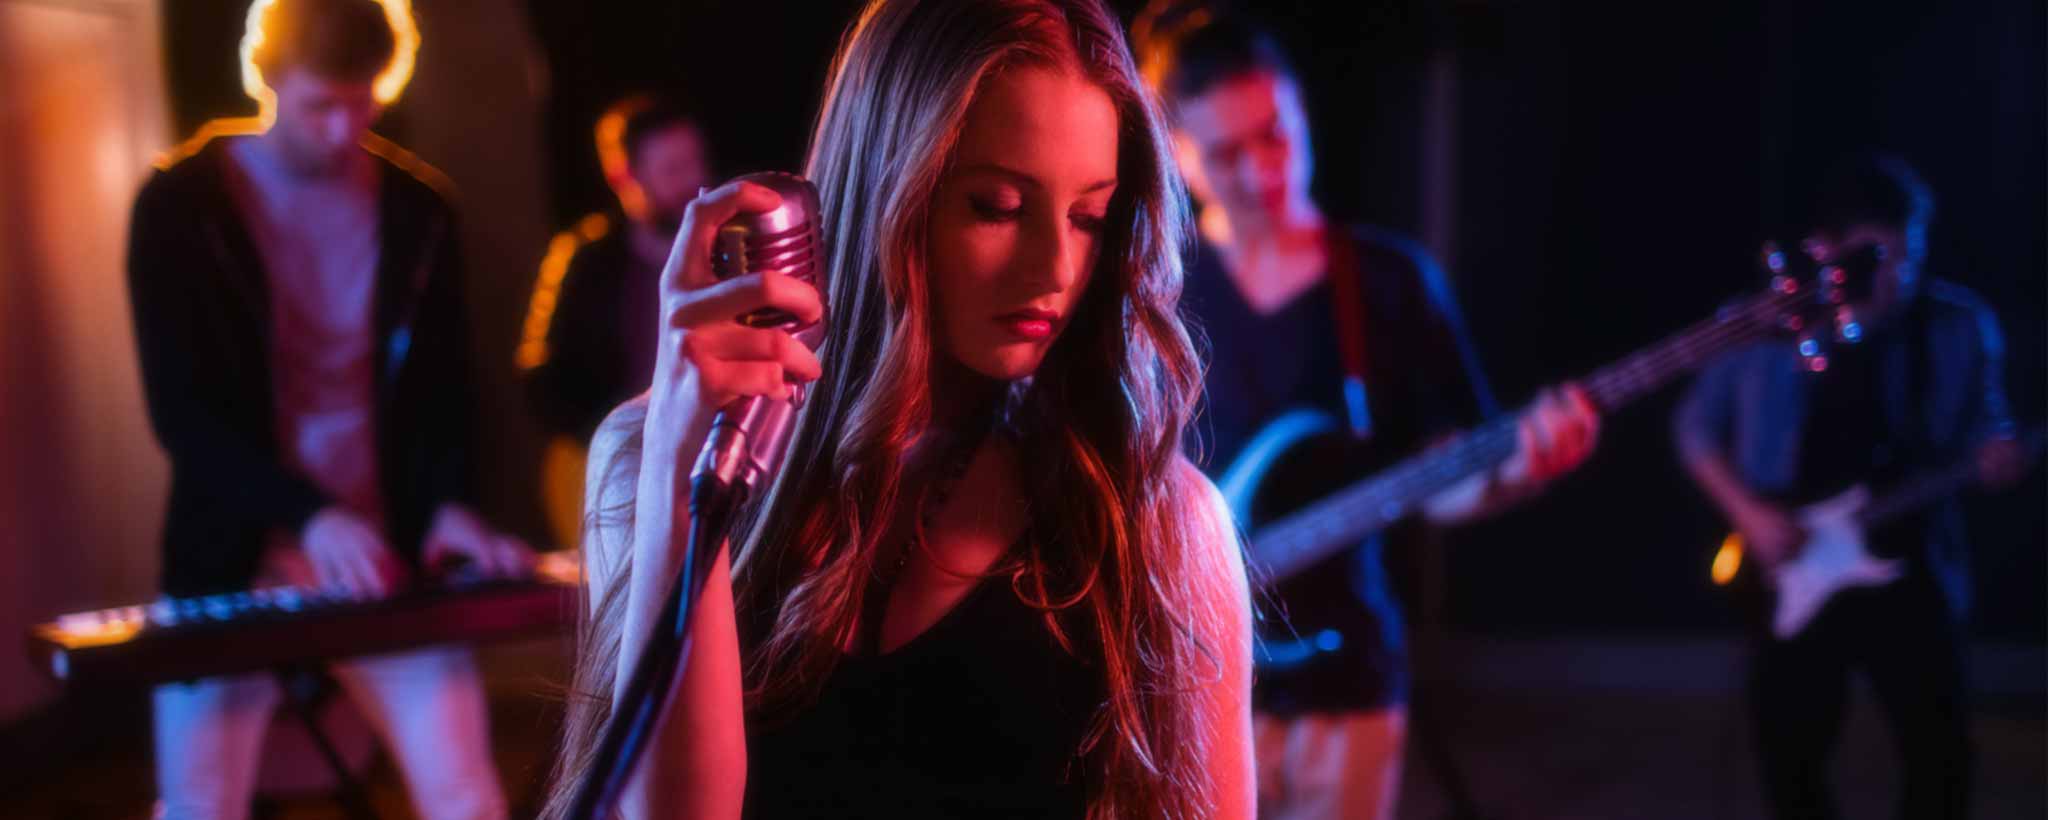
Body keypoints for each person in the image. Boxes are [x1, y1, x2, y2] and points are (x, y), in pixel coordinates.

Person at [543, 0, 1255, 818]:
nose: (1056, 266)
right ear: (888, 185)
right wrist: (680, 465)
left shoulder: (1155, 525)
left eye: (1089, 217)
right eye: (997, 206)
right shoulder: (651, 455)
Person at [1140, 11, 1600, 819]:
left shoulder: (1389, 282)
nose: (1260, 171)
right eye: (1224, 152)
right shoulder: (1151, 295)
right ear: (1175, 152)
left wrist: (1519, 473)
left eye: (1275, 136)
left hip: (1345, 682)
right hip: (1186, 681)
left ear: (1304, 117)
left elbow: (1444, 482)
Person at [124, 1, 527, 817]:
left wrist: (447, 507)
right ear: (266, 79)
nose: (345, 128)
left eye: (364, 102)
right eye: (320, 106)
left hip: (383, 558)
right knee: (198, 804)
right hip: (233, 555)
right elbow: (184, 415)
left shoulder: (420, 212)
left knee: (466, 795)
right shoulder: (180, 207)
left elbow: (446, 394)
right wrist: (309, 517)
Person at [1675, 153, 2023, 820]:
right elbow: (1695, 427)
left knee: (1940, 752)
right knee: (1789, 752)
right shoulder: (1768, 325)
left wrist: (1997, 454)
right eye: (1873, 260)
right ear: (1827, 253)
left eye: (1908, 258)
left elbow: (1988, 423)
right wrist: (1750, 515)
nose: (1895, 279)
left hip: (1912, 562)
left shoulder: (1955, 325)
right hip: (1794, 566)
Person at [517, 95, 716, 545]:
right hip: (616, 468)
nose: (695, 180)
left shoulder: (728, 252)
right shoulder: (586, 261)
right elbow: (542, 378)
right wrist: (618, 439)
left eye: (695, 162)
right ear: (623, 176)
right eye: (672, 170)